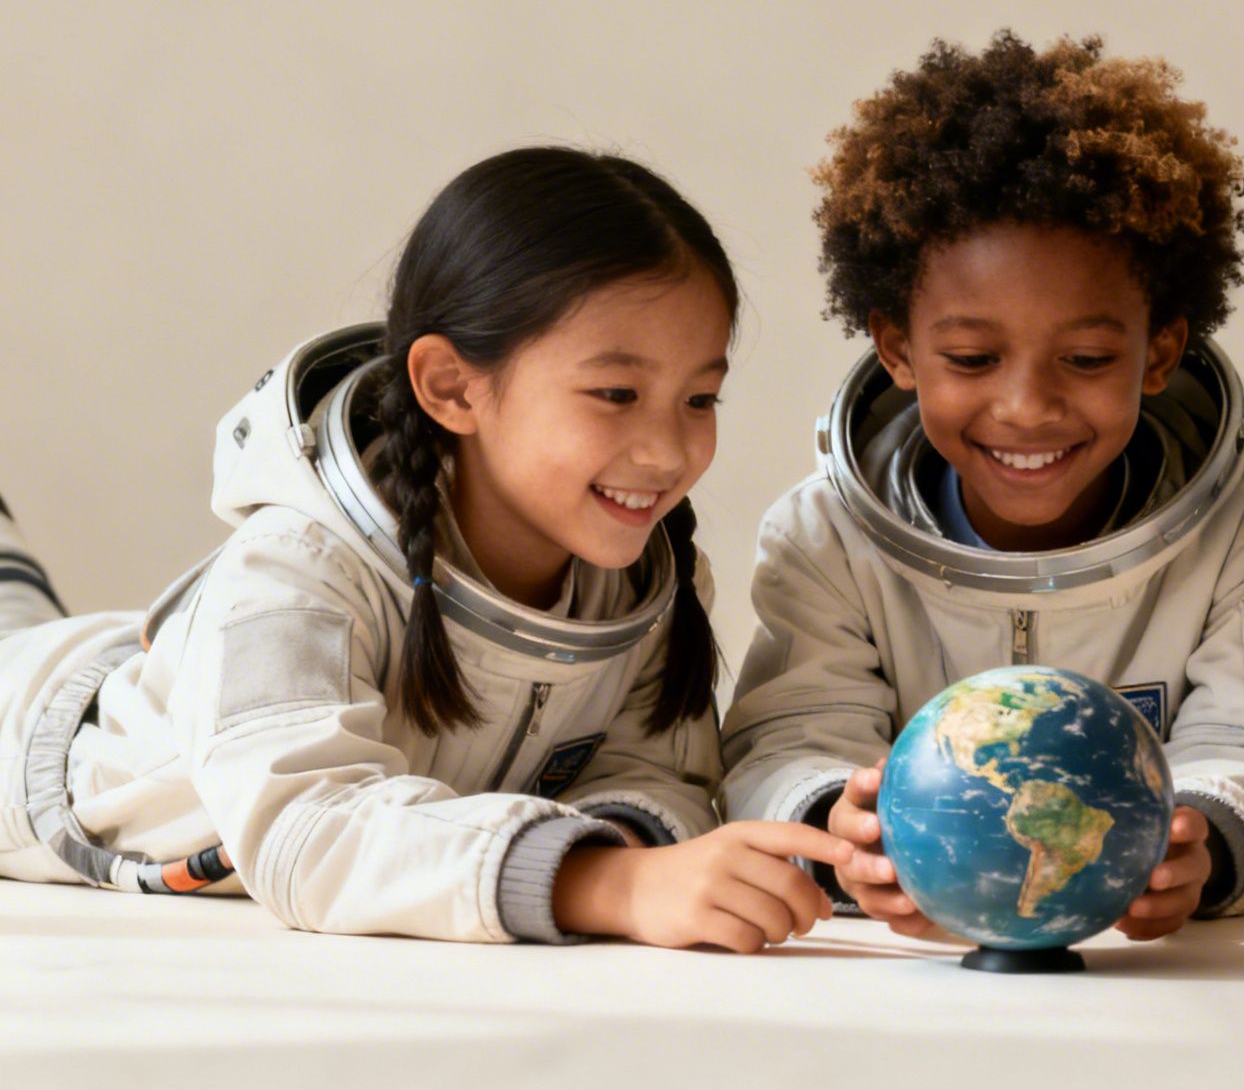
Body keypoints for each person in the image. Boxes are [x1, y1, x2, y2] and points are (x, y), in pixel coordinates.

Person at [0, 146, 850, 950]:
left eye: (701, 399)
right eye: (616, 393)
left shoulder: (645, 584)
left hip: (148, 667)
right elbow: (311, 830)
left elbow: (652, 773)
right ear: (451, 386)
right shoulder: (298, 564)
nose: (668, 450)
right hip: (37, 745)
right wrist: (606, 885)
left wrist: (627, 846)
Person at [720, 31, 1244, 940]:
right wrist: (838, 828)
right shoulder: (826, 539)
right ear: (897, 348)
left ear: (1161, 353)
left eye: (1088, 357)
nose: (1026, 408)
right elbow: (786, 742)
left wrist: (1206, 845)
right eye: (973, 357)